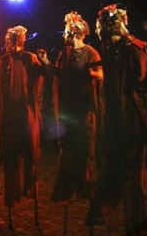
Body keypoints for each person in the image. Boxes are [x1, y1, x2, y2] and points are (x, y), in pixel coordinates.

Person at [87, 4, 147, 235]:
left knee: (131, 168)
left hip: (131, 118)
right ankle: (104, 213)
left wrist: (141, 104)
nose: (98, 30)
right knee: (114, 165)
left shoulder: (132, 49)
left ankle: (133, 219)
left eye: (100, 25)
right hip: (115, 117)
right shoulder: (111, 50)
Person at [43, 11, 104, 205]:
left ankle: (86, 185)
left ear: (75, 32)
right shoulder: (65, 54)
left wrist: (92, 74)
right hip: (68, 109)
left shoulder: (91, 52)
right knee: (68, 147)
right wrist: (46, 63)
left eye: (67, 30)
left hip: (84, 109)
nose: (64, 34)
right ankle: (66, 187)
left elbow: (101, 74)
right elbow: (59, 74)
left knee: (85, 146)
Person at [0, 26, 44, 224]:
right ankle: (13, 198)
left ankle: (28, 190)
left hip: (25, 115)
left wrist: (44, 62)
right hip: (11, 117)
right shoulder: (3, 62)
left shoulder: (29, 59)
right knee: (12, 159)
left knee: (29, 154)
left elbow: (41, 76)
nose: (8, 44)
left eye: (9, 41)